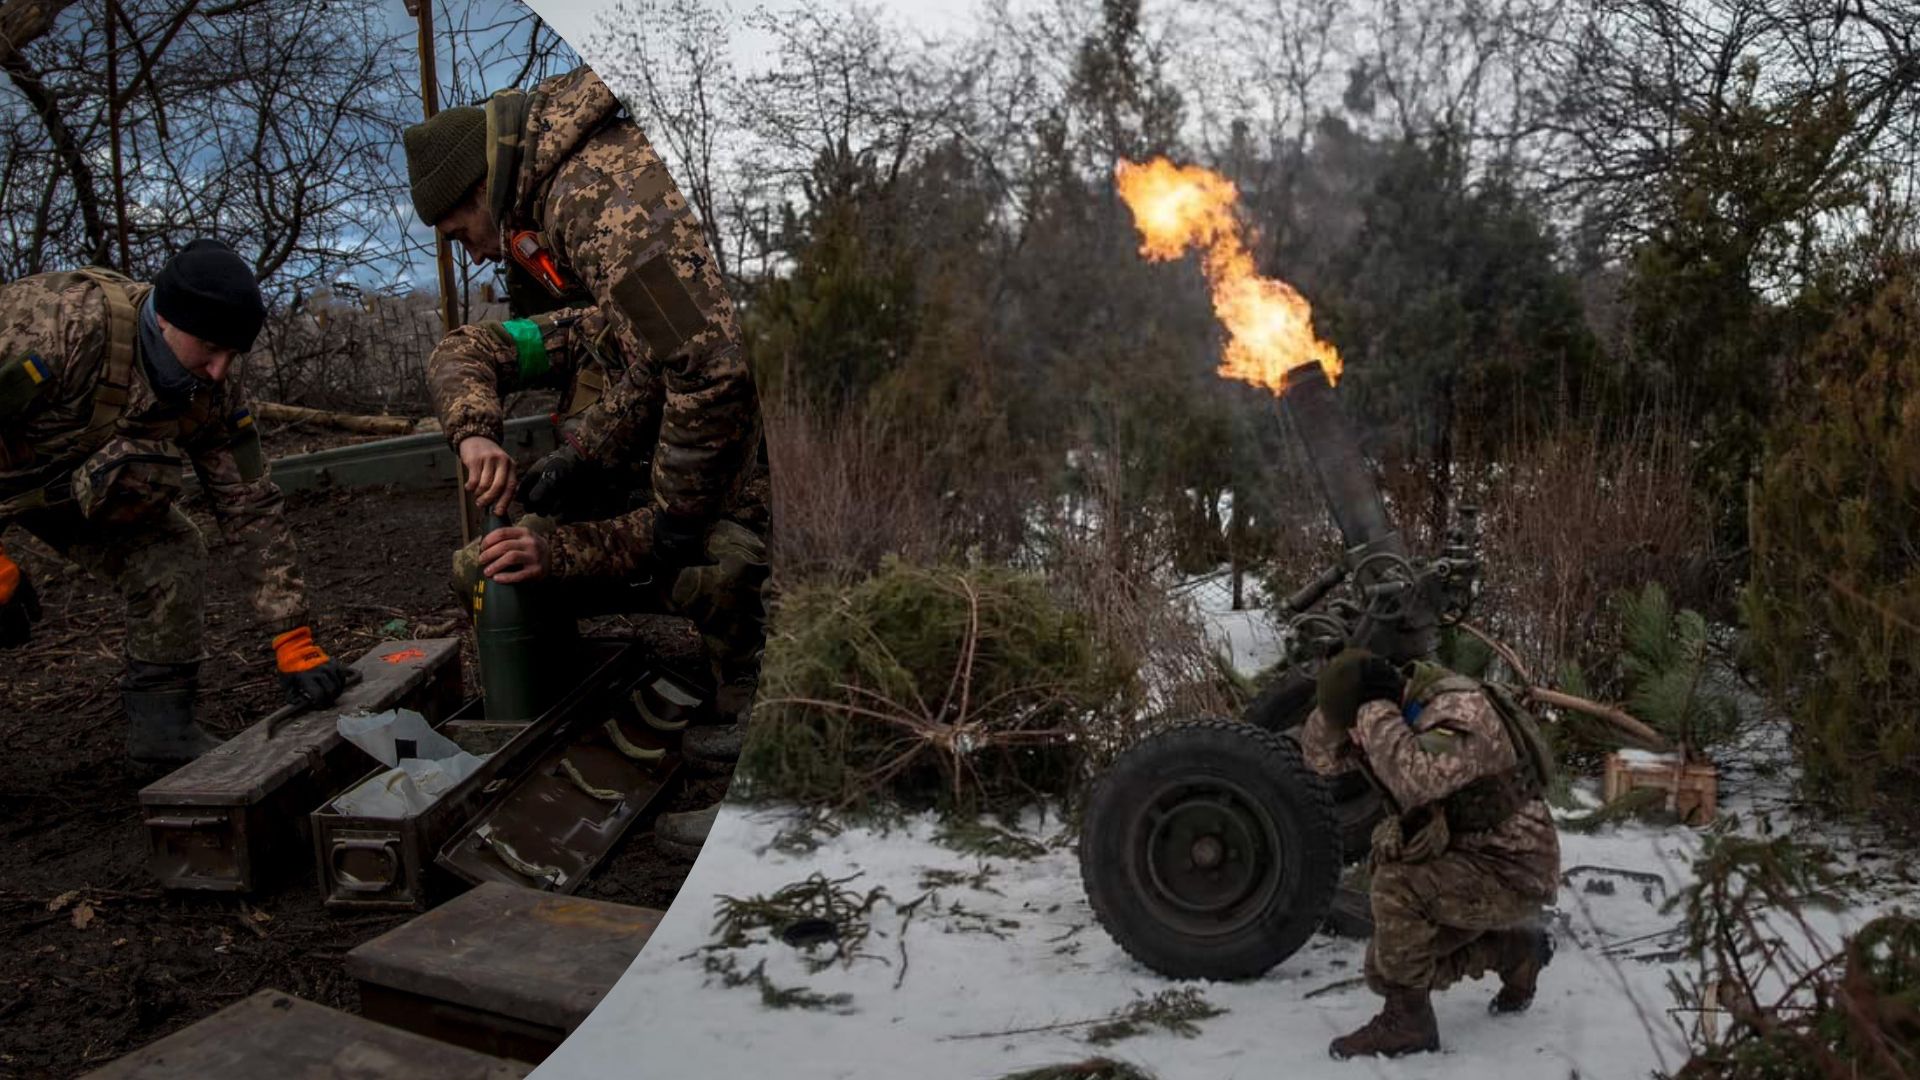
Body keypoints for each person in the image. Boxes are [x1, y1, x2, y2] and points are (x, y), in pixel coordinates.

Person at [401, 67, 769, 854]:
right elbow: (648, 356)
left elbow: (708, 365)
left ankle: (772, 740)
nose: (469, 256)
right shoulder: (584, 236)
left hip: (733, 480)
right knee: (495, 566)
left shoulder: (593, 198)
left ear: (477, 194)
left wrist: (665, 520)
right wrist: (543, 447)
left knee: (728, 559)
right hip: (675, 478)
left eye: (461, 234)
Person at [0, 240, 349, 764]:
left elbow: (248, 503)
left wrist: (292, 636)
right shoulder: (57, 325)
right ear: (165, 320)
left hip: (64, 487)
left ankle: (162, 735)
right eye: (210, 348)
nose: (219, 371)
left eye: (233, 355)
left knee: (174, 549)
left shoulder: (214, 389)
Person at [1298, 648, 1561, 1059]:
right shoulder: (1404, 705)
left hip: (1513, 871)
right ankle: (1514, 951)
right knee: (1385, 969)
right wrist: (1352, 719)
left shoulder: (1461, 710)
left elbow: (1415, 782)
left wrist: (1374, 714)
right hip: (1468, 860)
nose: (1354, 740)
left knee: (1395, 887)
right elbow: (1319, 757)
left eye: (1358, 726)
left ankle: (1408, 1023)